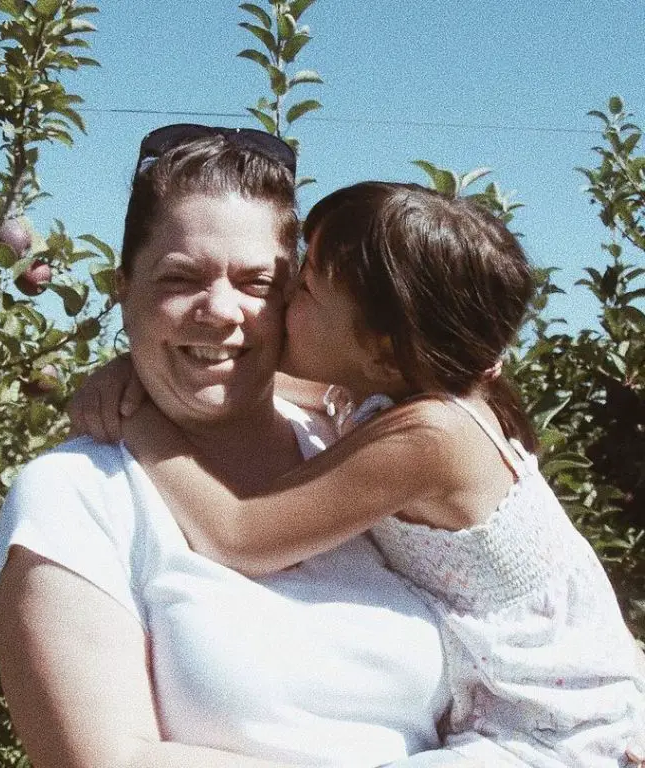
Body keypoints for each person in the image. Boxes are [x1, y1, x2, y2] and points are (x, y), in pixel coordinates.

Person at [89, 180, 645, 767]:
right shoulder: (408, 397)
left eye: (303, 289)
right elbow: (250, 383)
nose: (281, 304)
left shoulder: (431, 438)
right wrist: (143, 365)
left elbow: (240, 535)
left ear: (381, 349)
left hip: (556, 742)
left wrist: (140, 420)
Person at [0, 126, 488, 768]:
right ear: (123, 288)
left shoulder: (357, 446)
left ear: (296, 300)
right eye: (180, 278)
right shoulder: (76, 494)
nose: (222, 309)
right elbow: (100, 759)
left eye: (258, 282)